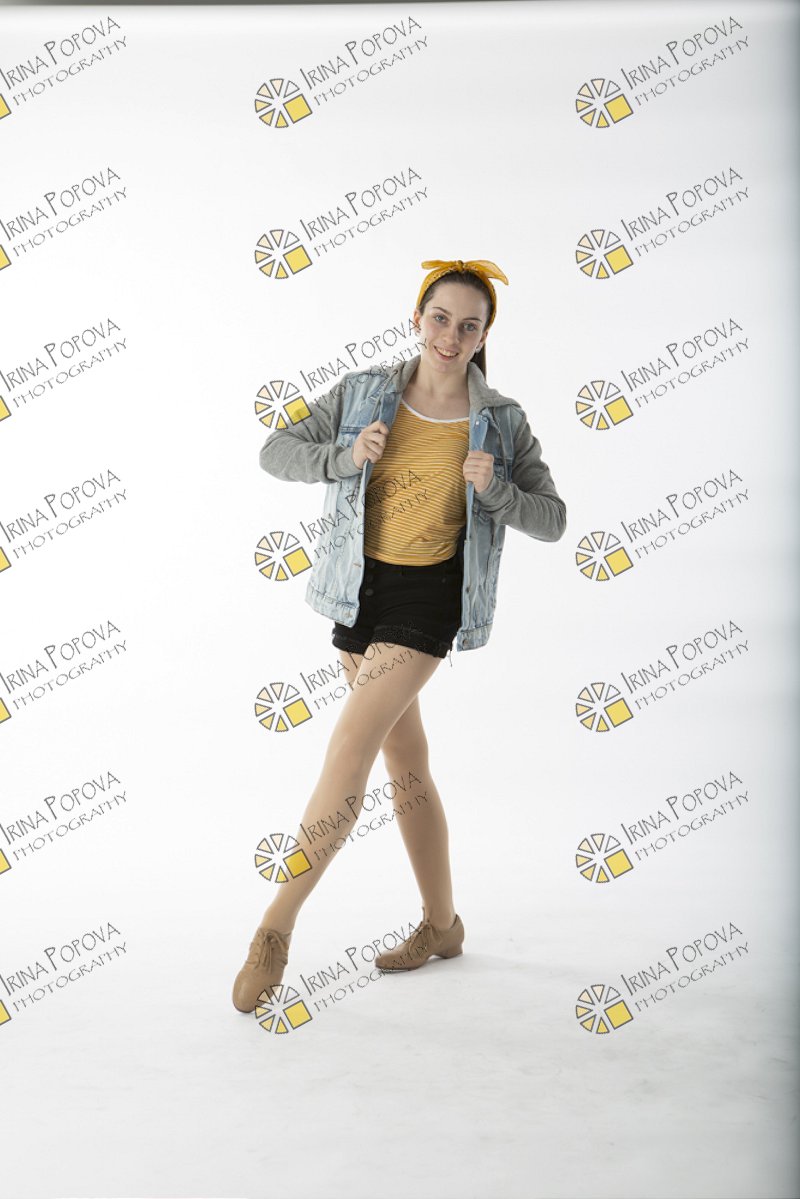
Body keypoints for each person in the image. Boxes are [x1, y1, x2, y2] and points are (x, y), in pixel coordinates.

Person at [232, 257, 567, 1012]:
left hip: (429, 600)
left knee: (348, 749)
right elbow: (274, 451)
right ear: (418, 319)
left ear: (484, 336)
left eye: (469, 325)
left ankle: (274, 928)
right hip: (360, 590)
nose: (451, 336)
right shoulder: (363, 393)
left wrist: (496, 489)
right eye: (440, 318)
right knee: (406, 765)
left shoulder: (502, 421)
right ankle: (442, 926)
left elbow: (552, 518)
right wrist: (343, 456)